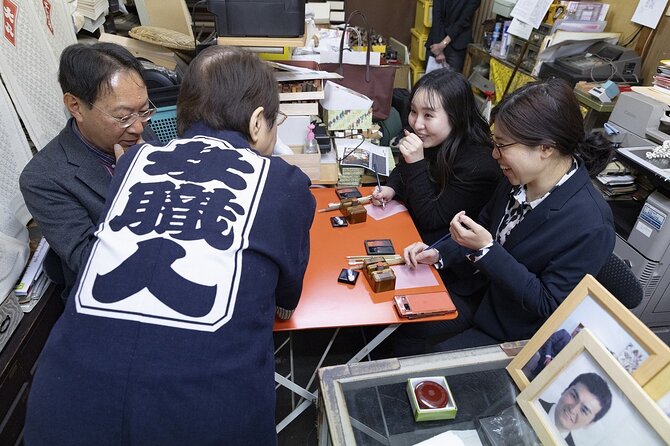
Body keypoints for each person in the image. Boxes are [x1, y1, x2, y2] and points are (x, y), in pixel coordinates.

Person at [24, 46, 315, 445]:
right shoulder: (284, 183)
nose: (137, 125)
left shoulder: (133, 163)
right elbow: (287, 294)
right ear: (258, 120)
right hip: (203, 414)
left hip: (62, 404)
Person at [397, 78, 615, 355]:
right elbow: (483, 228)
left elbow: (549, 303)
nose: (494, 154)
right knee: (405, 323)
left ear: (545, 148)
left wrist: (487, 250)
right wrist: (438, 253)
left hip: (511, 328)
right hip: (477, 293)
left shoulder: (591, 224)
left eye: (502, 145)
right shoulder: (516, 178)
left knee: (423, 359)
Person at [20, 42, 156, 301]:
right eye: (123, 116)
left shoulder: (133, 131)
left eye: (143, 111)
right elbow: (92, 262)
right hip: (111, 297)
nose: (139, 127)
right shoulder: (43, 178)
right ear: (75, 106)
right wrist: (132, 187)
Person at [371, 69, 500, 246]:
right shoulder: (436, 138)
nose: (417, 124)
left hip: (439, 255)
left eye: (428, 115)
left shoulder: (479, 165)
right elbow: (403, 171)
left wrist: (416, 162)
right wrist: (391, 188)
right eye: (413, 111)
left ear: (456, 117)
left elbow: (430, 219)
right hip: (408, 233)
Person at [540, 373, 613, 446]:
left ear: (590, 423)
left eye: (584, 410)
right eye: (574, 396)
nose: (573, 409)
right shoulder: (532, 401)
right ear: (565, 390)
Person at [426, 0, 481, 73]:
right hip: (436, 40)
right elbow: (436, 16)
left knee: (451, 82)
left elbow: (463, 21)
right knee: (429, 81)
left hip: (457, 45)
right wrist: (438, 49)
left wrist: (443, 44)